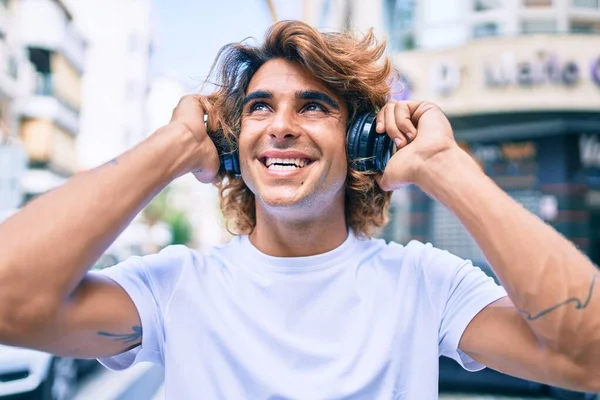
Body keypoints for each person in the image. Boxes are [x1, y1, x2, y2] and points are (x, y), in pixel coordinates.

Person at [0, 20, 598, 399]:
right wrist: (174, 149)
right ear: (233, 144)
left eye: (313, 106)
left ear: (361, 140)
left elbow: (588, 359)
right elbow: (10, 301)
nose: (281, 126)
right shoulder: (172, 288)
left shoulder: (426, 285)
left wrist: (448, 167)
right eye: (259, 108)